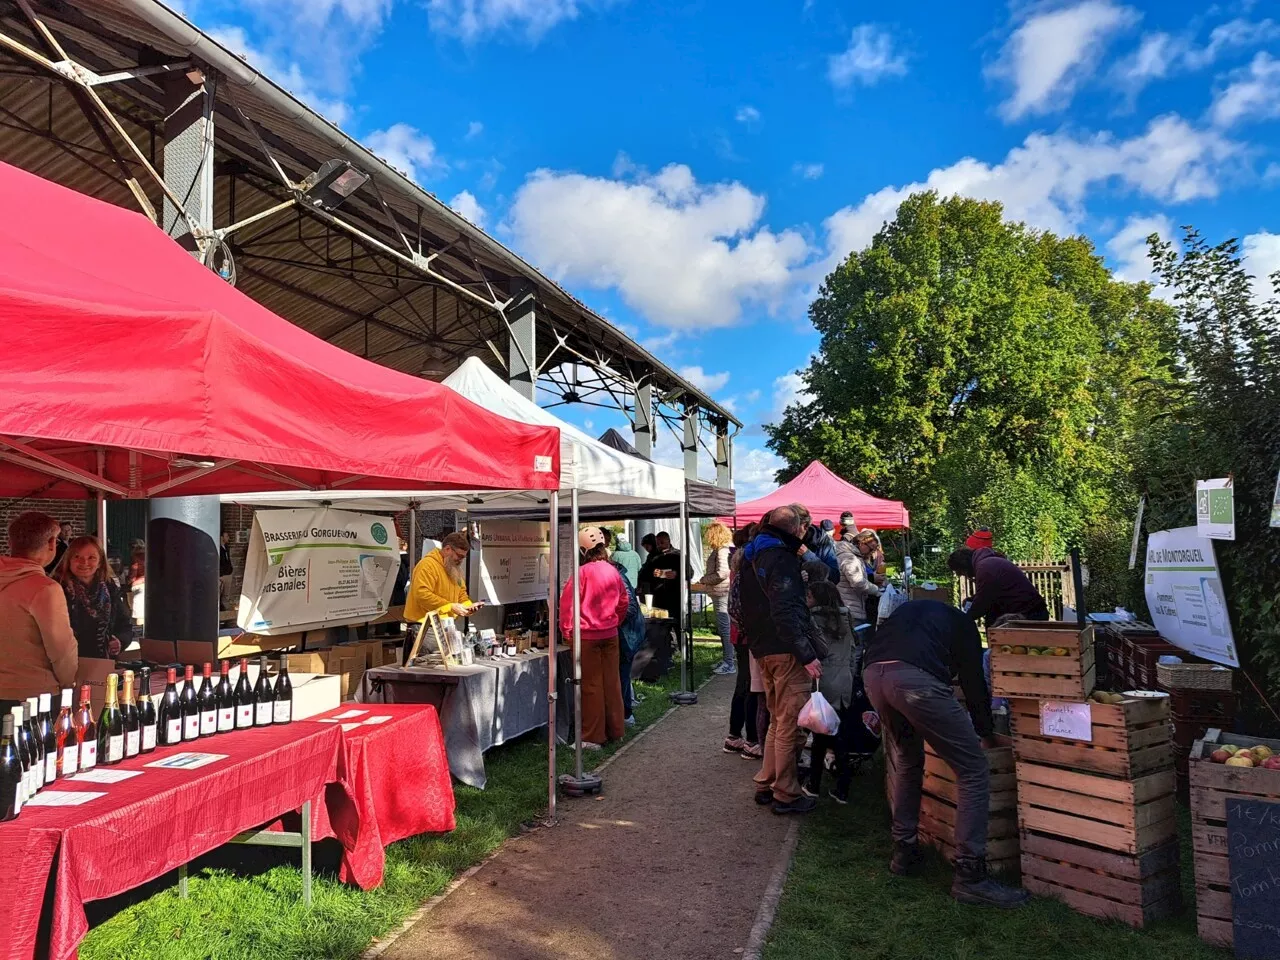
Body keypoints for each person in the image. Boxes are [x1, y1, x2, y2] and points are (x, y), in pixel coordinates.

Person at [862, 599, 1029, 908]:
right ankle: (970, 875)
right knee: (973, 769)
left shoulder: (920, 615)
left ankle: (904, 851)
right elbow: (973, 684)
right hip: (913, 681)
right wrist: (985, 732)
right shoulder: (965, 628)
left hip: (874, 675)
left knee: (910, 760)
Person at [740, 505, 822, 815]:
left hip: (762, 647)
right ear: (796, 528)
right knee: (789, 724)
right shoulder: (782, 558)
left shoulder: (751, 555)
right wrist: (806, 653)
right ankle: (786, 793)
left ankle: (767, 781)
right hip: (786, 649)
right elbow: (785, 609)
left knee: (777, 721)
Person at [559, 528, 629, 748]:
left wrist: (568, 632)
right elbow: (624, 601)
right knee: (612, 683)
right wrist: (614, 621)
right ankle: (616, 730)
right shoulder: (613, 571)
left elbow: (568, 606)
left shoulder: (581, 573)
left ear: (582, 549)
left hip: (587, 636)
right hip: (610, 633)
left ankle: (592, 737)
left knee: (591, 687)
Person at [0, 512, 78, 707]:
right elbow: (61, 648)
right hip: (32, 693)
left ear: (11, 543)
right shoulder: (45, 589)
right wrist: (69, 682)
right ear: (52, 543)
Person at [800, 562, 857, 804]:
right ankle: (841, 786)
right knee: (837, 733)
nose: (807, 598)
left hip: (822, 681)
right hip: (844, 679)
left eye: (810, 595)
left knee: (822, 734)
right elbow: (854, 650)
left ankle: (815, 783)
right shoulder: (847, 617)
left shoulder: (813, 619)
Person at [55, 535, 133, 659]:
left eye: (91, 557)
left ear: (100, 562)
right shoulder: (56, 589)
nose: (84, 562)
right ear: (68, 560)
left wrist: (120, 641)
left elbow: (124, 624)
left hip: (102, 663)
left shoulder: (109, 587)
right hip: (67, 663)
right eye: (77, 557)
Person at [724, 524, 762, 755]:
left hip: (741, 632)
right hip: (748, 633)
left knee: (744, 685)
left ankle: (735, 736)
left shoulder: (737, 560)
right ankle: (751, 740)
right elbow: (738, 605)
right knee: (751, 687)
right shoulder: (748, 562)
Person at [603, 529, 645, 726]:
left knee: (621, 672)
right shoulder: (621, 570)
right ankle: (623, 712)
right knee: (621, 671)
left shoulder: (616, 576)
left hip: (627, 632)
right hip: (626, 630)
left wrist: (612, 621)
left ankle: (626, 713)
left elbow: (628, 607)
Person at [947, 546, 1049, 625]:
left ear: (964, 565)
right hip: (1029, 610)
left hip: (1026, 615)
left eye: (961, 572)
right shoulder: (990, 562)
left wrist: (962, 621)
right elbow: (991, 592)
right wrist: (973, 600)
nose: (966, 576)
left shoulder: (985, 568)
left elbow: (983, 602)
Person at [405, 531, 480, 622]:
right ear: (447, 549)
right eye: (459, 556)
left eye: (463, 557)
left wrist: (468, 606)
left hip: (444, 622)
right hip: (423, 623)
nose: (461, 560)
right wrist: (450, 607)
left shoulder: (453, 568)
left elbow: (461, 594)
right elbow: (422, 595)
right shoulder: (427, 565)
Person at [694, 522, 734, 675]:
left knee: (725, 628)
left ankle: (729, 662)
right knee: (725, 627)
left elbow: (722, 573)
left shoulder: (722, 551)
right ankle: (727, 658)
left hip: (722, 592)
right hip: (720, 591)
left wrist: (705, 579)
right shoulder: (723, 549)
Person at [835, 525, 883, 628]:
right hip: (850, 609)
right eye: (871, 549)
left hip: (851, 607)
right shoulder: (849, 557)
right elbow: (858, 583)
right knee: (857, 642)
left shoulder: (854, 557)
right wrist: (876, 590)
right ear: (861, 543)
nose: (872, 553)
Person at [638, 530, 683, 617]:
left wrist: (676, 574)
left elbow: (690, 572)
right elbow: (644, 574)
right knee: (659, 623)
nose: (659, 545)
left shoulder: (678, 555)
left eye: (662, 542)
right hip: (657, 596)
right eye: (658, 543)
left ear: (668, 541)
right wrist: (653, 573)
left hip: (674, 596)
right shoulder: (653, 556)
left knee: (675, 620)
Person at [792, 505, 840, 580]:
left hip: (817, 590)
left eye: (793, 527)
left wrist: (808, 555)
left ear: (804, 526)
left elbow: (834, 576)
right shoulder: (782, 539)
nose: (789, 531)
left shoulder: (822, 541)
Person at [219, 531, 235, 611]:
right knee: (218, 594)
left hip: (228, 574)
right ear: (221, 537)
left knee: (226, 595)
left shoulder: (226, 547)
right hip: (221, 575)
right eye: (226, 536)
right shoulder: (218, 548)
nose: (228, 538)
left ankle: (225, 612)